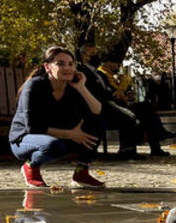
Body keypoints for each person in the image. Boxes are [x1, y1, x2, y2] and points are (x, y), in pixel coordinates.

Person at [9, 46, 105, 189]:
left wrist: (81, 87)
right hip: (25, 139)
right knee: (52, 146)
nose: (67, 68)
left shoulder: (73, 87)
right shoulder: (34, 86)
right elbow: (33, 127)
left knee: (98, 123)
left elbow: (97, 111)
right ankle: (31, 167)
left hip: (58, 136)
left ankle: (81, 172)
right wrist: (71, 134)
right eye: (60, 64)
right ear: (47, 67)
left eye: (70, 64)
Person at [97, 54, 175, 157]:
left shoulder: (112, 75)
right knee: (143, 112)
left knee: (148, 108)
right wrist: (123, 84)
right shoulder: (102, 74)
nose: (118, 66)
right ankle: (157, 137)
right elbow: (116, 94)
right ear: (109, 63)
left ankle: (156, 146)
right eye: (116, 64)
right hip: (112, 109)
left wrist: (127, 93)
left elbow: (124, 92)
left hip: (122, 105)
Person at [77, 43, 144, 160]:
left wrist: (118, 94)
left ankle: (150, 146)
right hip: (97, 107)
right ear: (83, 55)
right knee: (129, 117)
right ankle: (127, 151)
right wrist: (112, 95)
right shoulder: (81, 72)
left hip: (112, 103)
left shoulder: (99, 74)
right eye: (92, 54)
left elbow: (109, 89)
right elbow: (94, 92)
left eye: (96, 53)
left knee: (143, 109)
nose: (96, 56)